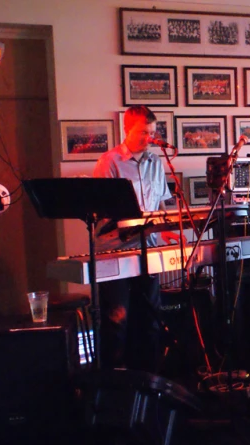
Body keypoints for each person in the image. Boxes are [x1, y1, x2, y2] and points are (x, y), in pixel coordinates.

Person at [93, 105, 172, 372]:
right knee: (117, 319)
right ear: (126, 129)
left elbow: (160, 206)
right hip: (115, 251)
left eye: (152, 132)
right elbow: (103, 213)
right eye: (142, 132)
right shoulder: (109, 162)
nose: (148, 138)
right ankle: (112, 380)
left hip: (147, 250)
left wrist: (167, 230)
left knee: (149, 316)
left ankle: (148, 379)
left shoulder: (155, 163)